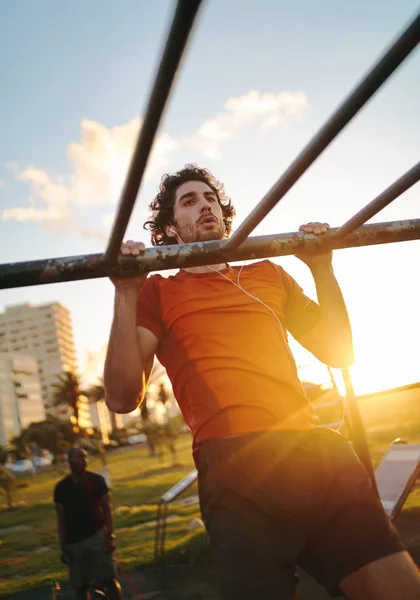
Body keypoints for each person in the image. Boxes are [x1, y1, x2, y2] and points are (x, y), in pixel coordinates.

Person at [104, 164, 420, 599]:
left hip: (314, 453)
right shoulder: (159, 291)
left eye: (210, 198)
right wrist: (126, 292)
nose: (205, 205)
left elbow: (339, 352)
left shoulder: (268, 275)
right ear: (171, 229)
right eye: (189, 202)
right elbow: (122, 397)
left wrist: (321, 267)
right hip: (236, 470)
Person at [54, 447, 122, 600]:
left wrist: (110, 535)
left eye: (85, 458)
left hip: (97, 536)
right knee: (80, 585)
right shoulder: (61, 488)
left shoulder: (97, 481)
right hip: (74, 542)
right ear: (70, 461)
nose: (84, 461)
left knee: (109, 579)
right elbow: (61, 519)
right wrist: (63, 546)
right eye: (80, 458)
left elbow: (106, 509)